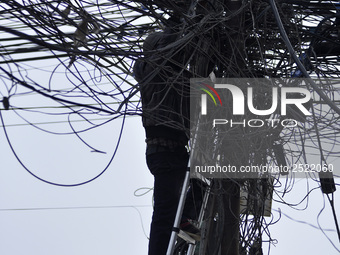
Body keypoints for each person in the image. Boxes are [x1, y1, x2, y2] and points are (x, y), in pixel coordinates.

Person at [133, 18, 202, 255]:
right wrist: (180, 18)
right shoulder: (151, 71)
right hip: (163, 151)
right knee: (164, 213)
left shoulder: (179, 77)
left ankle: (185, 218)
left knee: (207, 179)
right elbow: (172, 46)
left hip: (174, 150)